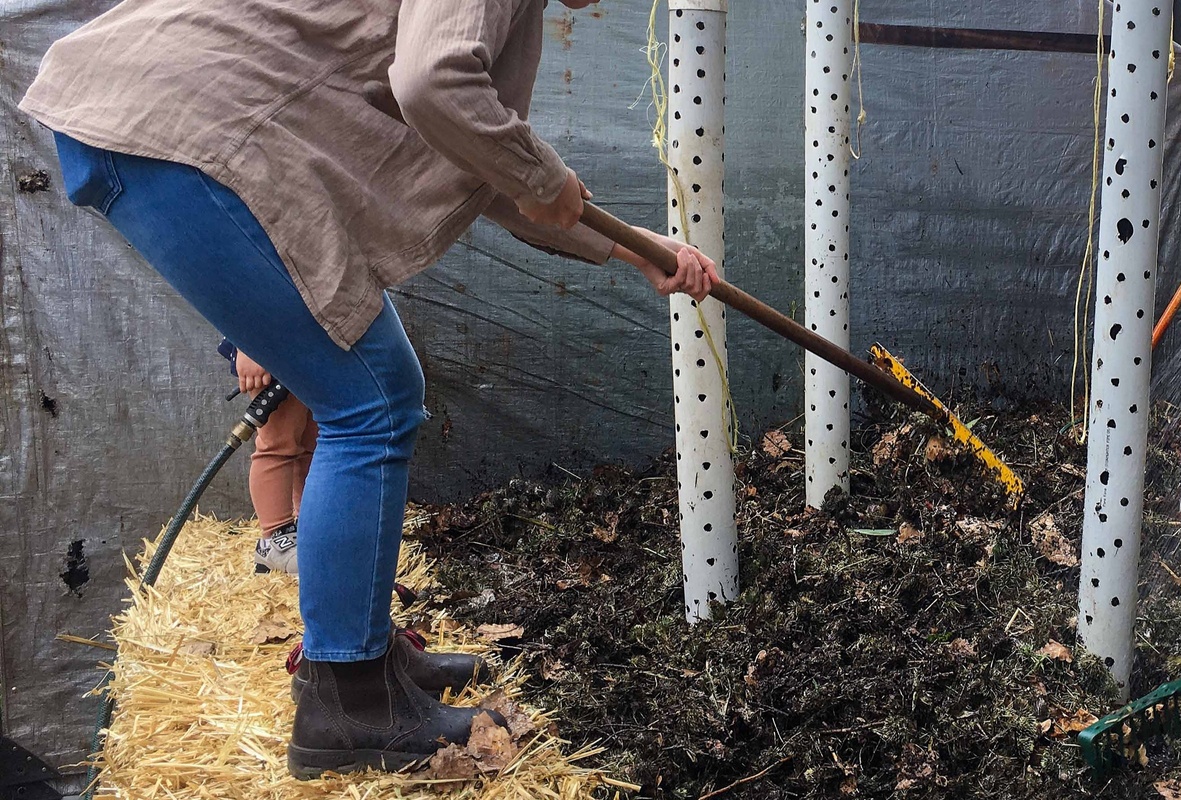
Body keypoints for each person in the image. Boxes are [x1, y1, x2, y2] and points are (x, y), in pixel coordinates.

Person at [21, 0, 719, 778]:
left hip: (159, 113)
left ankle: (367, 659)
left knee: (377, 388)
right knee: (372, 398)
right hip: (183, 126)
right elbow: (433, 84)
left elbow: (487, 165)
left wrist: (638, 250)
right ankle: (348, 701)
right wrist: (540, 174)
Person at [219, 339, 317, 575]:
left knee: (311, 443)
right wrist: (246, 345)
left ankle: (309, 527)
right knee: (277, 444)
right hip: (270, 344)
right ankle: (276, 538)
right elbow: (234, 299)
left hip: (311, 346)